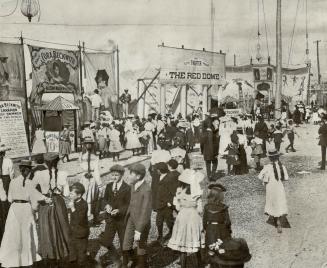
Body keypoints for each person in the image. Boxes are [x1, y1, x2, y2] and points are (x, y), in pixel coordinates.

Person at [0, 160, 50, 268]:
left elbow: (9, 198)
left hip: (14, 209)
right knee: (26, 233)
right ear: (29, 171)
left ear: (20, 169)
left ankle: (13, 260)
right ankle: (26, 259)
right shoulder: (29, 183)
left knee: (13, 234)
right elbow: (37, 197)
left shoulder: (13, 182)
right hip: (26, 209)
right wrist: (45, 200)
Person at [32, 152, 71, 266]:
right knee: (62, 227)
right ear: (57, 161)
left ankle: (49, 254)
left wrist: (42, 197)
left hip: (45, 204)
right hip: (58, 203)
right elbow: (67, 193)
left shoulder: (39, 174)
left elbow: (31, 189)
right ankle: (63, 252)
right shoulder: (63, 174)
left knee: (46, 229)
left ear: (45, 162)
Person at [167, 169, 205, 268]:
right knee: (194, 241)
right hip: (193, 217)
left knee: (182, 242)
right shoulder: (196, 193)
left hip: (182, 217)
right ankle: (198, 264)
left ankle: (183, 266)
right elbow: (200, 210)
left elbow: (178, 207)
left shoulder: (179, 191)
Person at [95, 165, 131, 267]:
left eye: (116, 175)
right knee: (106, 241)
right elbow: (104, 199)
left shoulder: (127, 188)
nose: (114, 177)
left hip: (121, 221)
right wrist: (106, 205)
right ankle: (116, 259)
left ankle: (125, 262)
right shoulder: (109, 186)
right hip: (110, 219)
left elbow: (128, 205)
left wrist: (119, 210)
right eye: (112, 175)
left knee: (124, 242)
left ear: (122, 175)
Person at [122, 164, 152, 268]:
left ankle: (142, 264)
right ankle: (134, 260)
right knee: (126, 245)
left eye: (131, 174)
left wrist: (139, 230)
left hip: (142, 223)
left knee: (141, 247)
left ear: (138, 176)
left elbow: (145, 212)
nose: (128, 176)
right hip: (131, 219)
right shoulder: (133, 185)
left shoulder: (146, 190)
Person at [258, 149, 289, 233]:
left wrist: (266, 177)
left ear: (270, 158)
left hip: (270, 187)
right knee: (279, 201)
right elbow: (286, 178)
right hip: (279, 187)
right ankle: (278, 219)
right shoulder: (282, 166)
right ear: (277, 157)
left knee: (272, 202)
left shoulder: (267, 167)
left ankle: (276, 220)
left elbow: (260, 176)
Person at [203, 183, 232, 259]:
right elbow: (228, 222)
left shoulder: (206, 207)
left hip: (210, 230)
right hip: (221, 230)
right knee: (222, 249)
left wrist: (208, 229)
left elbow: (204, 221)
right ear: (220, 196)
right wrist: (228, 230)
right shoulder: (223, 207)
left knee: (211, 249)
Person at [79, 137, 102, 225]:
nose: (88, 145)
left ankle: (95, 218)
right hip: (84, 177)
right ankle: (84, 218)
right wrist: (85, 172)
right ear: (84, 145)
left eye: (90, 144)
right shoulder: (81, 155)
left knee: (94, 198)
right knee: (84, 197)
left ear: (92, 145)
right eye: (86, 144)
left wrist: (99, 183)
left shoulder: (95, 156)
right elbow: (81, 166)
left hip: (93, 177)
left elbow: (96, 169)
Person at [68, 182, 89, 268]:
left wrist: (72, 208)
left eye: (72, 193)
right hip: (73, 233)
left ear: (79, 195)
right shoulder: (74, 202)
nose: (70, 195)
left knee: (81, 254)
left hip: (81, 234)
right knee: (73, 252)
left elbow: (79, 220)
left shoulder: (84, 204)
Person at [154, 162, 176, 244]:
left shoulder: (170, 178)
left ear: (160, 170)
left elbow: (173, 191)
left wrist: (170, 202)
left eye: (157, 169)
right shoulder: (159, 176)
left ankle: (172, 232)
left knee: (169, 221)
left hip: (167, 205)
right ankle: (160, 235)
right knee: (158, 221)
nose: (156, 171)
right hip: (160, 204)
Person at [0, 142, 14, 242]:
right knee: (6, 201)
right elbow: (12, 174)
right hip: (6, 181)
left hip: (2, 180)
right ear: (4, 153)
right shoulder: (8, 161)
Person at [201, 116, 220, 181]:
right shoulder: (215, 131)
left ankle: (209, 176)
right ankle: (212, 175)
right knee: (215, 162)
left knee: (208, 163)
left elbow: (202, 142)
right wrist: (216, 152)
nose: (218, 124)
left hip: (206, 151)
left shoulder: (205, 131)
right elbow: (216, 143)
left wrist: (202, 151)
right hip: (213, 151)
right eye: (216, 123)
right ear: (213, 123)